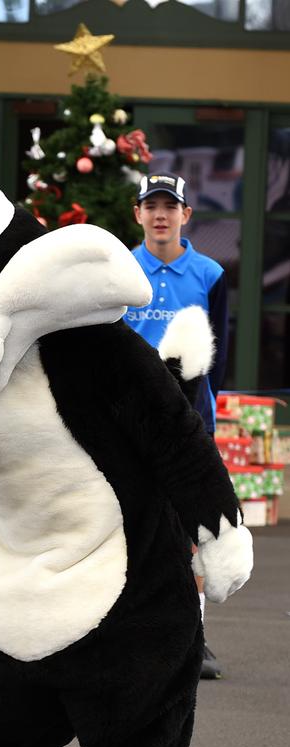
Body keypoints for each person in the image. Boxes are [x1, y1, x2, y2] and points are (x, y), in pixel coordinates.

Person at [124, 172, 229, 680]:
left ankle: (196, 640)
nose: (161, 214)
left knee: (193, 531)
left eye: (171, 205)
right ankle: (122, 637)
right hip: (129, 424)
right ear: (137, 213)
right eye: (152, 205)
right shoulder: (120, 271)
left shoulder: (209, 273)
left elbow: (219, 356)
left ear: (187, 215)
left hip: (189, 424)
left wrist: (208, 411)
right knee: (124, 528)